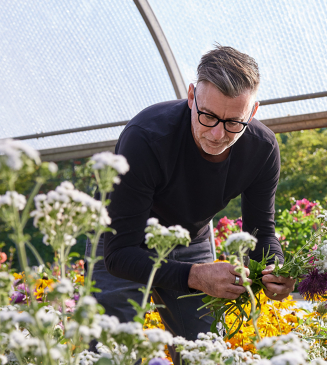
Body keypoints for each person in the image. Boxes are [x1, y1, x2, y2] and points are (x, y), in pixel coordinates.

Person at [89, 46, 295, 347]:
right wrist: (195, 276)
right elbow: (118, 255)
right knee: (109, 355)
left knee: (205, 355)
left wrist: (274, 267)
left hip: (189, 238)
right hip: (122, 237)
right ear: (190, 96)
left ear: (252, 112)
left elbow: (261, 231)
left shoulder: (261, 149)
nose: (217, 135)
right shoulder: (146, 138)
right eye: (207, 116)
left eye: (234, 123)